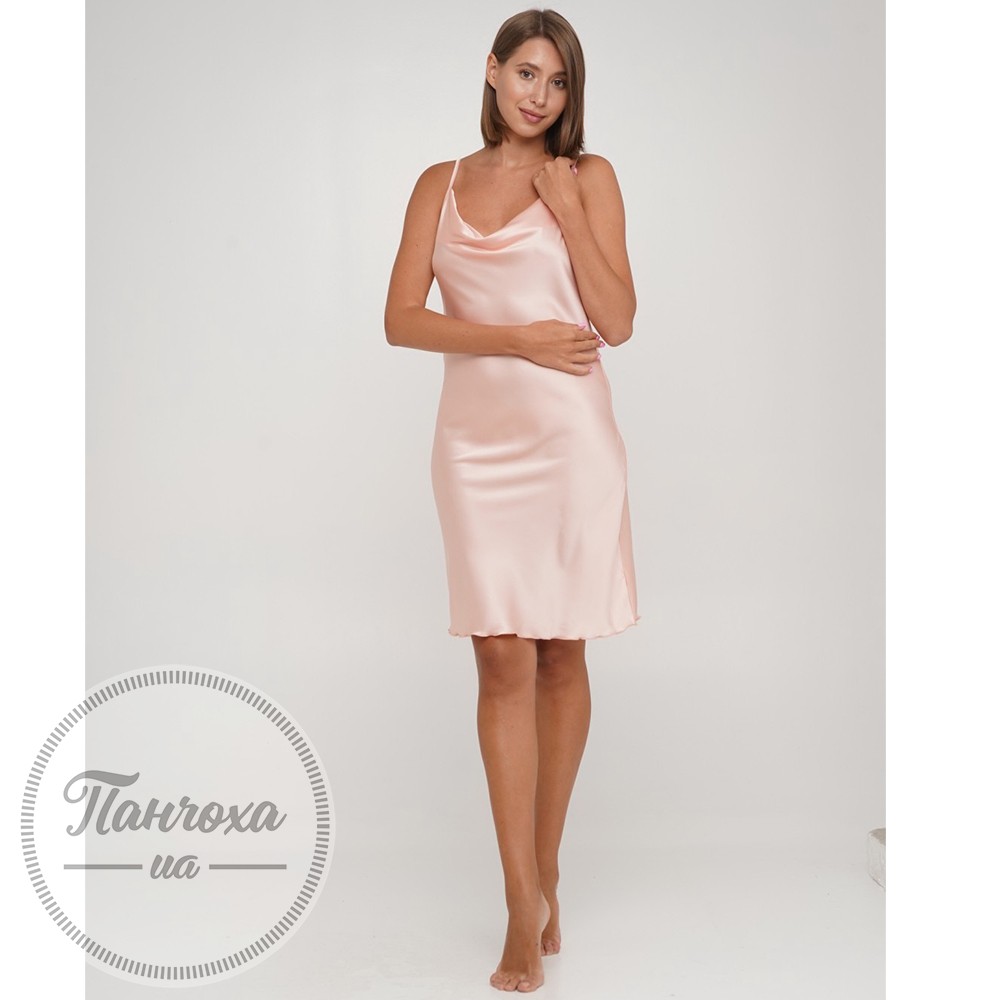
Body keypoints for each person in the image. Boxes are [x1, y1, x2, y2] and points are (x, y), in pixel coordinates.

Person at [384, 8, 639, 993]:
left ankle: (544, 874)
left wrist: (565, 208)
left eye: (559, 80)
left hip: (571, 441)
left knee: (561, 650)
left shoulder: (589, 176)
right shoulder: (438, 183)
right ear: (491, 72)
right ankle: (517, 899)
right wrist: (517, 338)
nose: (540, 94)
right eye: (527, 72)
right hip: (476, 447)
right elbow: (402, 320)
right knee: (500, 655)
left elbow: (617, 318)